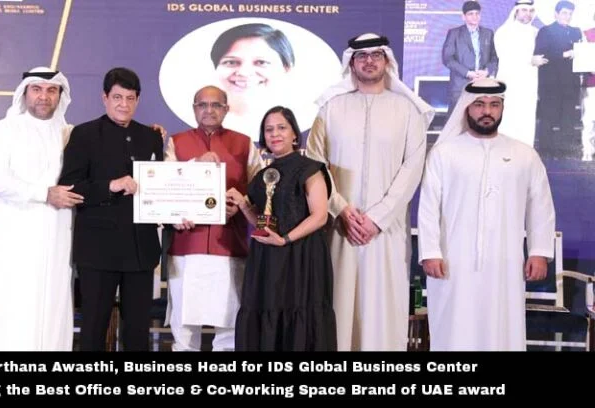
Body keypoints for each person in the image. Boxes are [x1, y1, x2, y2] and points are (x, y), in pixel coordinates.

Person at [305, 33, 434, 351]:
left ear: (387, 61)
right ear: (351, 64)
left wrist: (377, 218)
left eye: (376, 55)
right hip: (340, 227)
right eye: (361, 56)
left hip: (386, 229)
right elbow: (315, 167)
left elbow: (412, 169)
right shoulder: (330, 109)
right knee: (339, 304)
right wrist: (342, 210)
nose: (369, 61)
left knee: (383, 307)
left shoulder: (408, 111)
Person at [417, 78, 556, 351]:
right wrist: (430, 252)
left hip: (506, 262)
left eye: (494, 105)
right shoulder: (444, 153)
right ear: (467, 108)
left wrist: (539, 251)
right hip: (453, 261)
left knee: (503, 328)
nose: (487, 111)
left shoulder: (524, 155)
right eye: (479, 104)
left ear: (502, 108)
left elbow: (541, 206)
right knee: (454, 328)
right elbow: (428, 208)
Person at [0, 67, 81, 351]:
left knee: (52, 307)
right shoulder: (4, 130)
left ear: (60, 95)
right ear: (25, 93)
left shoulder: (70, 135)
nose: (44, 96)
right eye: (37, 89)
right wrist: (44, 193)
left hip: (57, 240)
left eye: (51, 90)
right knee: (12, 307)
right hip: (14, 241)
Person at [58, 67, 164, 351]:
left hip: (141, 250)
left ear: (138, 99)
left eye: (130, 98)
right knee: (93, 329)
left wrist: (176, 213)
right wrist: (111, 186)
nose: (123, 104)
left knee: (138, 333)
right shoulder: (83, 134)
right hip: (98, 250)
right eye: (117, 97)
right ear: (104, 98)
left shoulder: (152, 137)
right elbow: (70, 188)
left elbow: (160, 188)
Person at [163, 85, 264, 351]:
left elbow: (260, 191)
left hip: (230, 246)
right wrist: (195, 164)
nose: (209, 110)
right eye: (203, 105)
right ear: (194, 109)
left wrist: (240, 204)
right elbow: (165, 186)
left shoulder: (244, 144)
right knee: (184, 329)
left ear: (226, 109)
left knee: (229, 327)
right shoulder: (176, 142)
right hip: (186, 245)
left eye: (216, 105)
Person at [229, 106, 336, 351]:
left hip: (302, 257)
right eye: (269, 130)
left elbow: (320, 216)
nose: (275, 134)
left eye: (281, 128)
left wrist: (285, 239)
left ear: (294, 134)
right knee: (266, 313)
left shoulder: (311, 168)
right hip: (267, 258)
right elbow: (262, 221)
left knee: (300, 314)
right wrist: (243, 205)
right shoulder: (262, 176)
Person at [210, 23, 295, 139]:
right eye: (231, 62)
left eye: (261, 62)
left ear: (286, 68)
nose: (244, 72)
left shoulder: (307, 120)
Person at [495, 0, 548, 147]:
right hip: (510, 82)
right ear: (516, 11)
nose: (528, 14)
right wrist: (529, 60)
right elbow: (504, 55)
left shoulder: (535, 32)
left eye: (531, 11)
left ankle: (525, 150)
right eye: (524, 10)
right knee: (509, 116)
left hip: (529, 83)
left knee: (527, 116)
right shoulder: (504, 31)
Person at [534, 1, 583, 157]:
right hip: (551, 83)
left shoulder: (576, 32)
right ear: (556, 14)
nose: (567, 17)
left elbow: (582, 55)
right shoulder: (545, 31)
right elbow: (540, 55)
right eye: (564, 13)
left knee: (568, 118)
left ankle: (565, 152)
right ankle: (545, 153)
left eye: (570, 14)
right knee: (548, 118)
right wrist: (564, 54)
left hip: (571, 83)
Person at [441, 1, 499, 117]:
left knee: (479, 120)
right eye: (470, 14)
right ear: (463, 17)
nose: (474, 16)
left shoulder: (488, 33)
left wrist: (487, 71)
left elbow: (494, 58)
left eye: (477, 13)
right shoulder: (454, 33)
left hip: (482, 84)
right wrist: (468, 73)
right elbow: (447, 59)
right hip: (460, 86)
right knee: (456, 121)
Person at [581, 15, 595, 162]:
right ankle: (588, 151)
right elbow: (583, 60)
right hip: (592, 83)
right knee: (590, 119)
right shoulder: (587, 34)